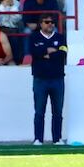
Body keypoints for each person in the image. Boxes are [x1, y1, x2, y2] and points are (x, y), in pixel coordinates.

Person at [29, 12, 68, 145]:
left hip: (57, 79)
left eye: (52, 22)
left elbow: (63, 53)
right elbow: (34, 53)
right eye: (47, 22)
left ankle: (57, 138)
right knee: (39, 111)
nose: (50, 24)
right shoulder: (34, 37)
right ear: (41, 24)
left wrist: (46, 54)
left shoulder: (60, 37)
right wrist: (49, 50)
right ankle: (38, 138)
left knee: (57, 111)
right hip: (40, 79)